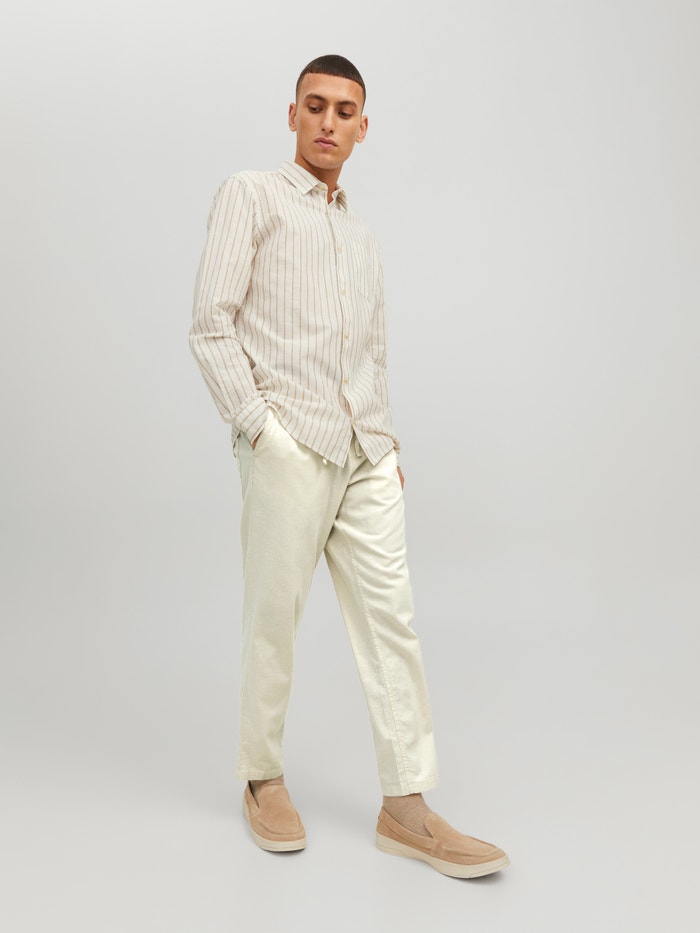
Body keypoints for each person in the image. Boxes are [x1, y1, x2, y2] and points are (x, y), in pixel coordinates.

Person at [189, 54, 508, 879]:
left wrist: (386, 441)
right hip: (287, 442)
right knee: (274, 617)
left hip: (365, 453)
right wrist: (260, 429)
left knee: (392, 621)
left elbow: (372, 352)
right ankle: (262, 777)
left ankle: (406, 806)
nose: (329, 122)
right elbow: (211, 322)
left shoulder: (362, 238)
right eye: (316, 105)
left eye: (345, 111)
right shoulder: (250, 195)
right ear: (292, 114)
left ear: (364, 128)